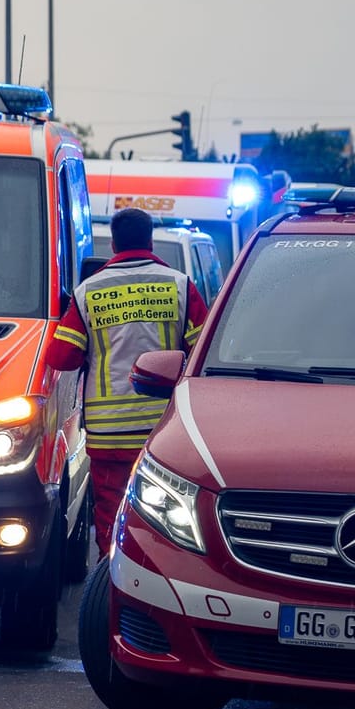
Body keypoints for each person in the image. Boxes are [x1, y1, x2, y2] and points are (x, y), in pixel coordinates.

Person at [43, 208, 209, 555]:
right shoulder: (179, 285)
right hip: (165, 431)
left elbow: (61, 358)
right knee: (168, 521)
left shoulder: (89, 291)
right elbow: (202, 353)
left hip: (110, 436)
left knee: (111, 518)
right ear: (150, 240)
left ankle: (113, 588)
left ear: (114, 243)